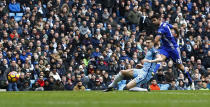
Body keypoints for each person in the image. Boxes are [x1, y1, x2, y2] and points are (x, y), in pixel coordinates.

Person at [151, 13, 192, 83]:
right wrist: (177, 35)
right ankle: (153, 72)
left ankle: (190, 80)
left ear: (159, 19)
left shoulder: (162, 28)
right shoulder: (165, 24)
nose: (153, 22)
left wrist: (150, 44)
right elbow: (175, 27)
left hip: (174, 49)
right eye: (152, 21)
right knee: (159, 58)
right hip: (165, 48)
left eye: (154, 20)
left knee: (180, 67)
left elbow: (156, 39)